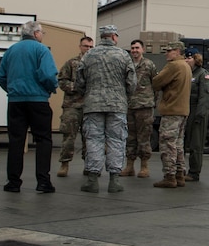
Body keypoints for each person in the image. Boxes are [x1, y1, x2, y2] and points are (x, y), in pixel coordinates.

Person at [0, 20, 59, 192]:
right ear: (37, 33)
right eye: (42, 33)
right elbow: (48, 75)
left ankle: (13, 182)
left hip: (16, 101)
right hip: (38, 100)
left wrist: (12, 90)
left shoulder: (11, 51)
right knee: (43, 140)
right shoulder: (42, 50)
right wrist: (50, 89)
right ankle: (43, 181)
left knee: (16, 140)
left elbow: (1, 76)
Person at [76, 25, 137, 194]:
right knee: (117, 140)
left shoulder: (89, 55)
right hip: (117, 105)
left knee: (94, 140)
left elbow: (79, 81)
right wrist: (123, 96)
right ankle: (114, 180)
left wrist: (88, 93)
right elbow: (132, 83)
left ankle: (92, 180)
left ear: (102, 37)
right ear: (114, 37)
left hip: (93, 104)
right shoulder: (123, 55)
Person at [151, 41, 191, 187]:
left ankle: (169, 175)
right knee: (178, 144)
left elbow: (156, 82)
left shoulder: (174, 66)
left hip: (171, 110)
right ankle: (180, 174)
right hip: (182, 110)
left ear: (178, 51)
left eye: (170, 50)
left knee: (167, 144)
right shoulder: (186, 66)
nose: (166, 53)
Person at [56, 36, 93, 178]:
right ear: (80, 46)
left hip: (89, 106)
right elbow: (62, 80)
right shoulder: (71, 63)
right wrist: (75, 87)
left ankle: (89, 165)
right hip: (72, 105)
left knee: (89, 138)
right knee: (68, 136)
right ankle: (64, 164)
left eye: (90, 47)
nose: (88, 49)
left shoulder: (95, 64)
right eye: (85, 46)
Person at [123, 38, 158, 177]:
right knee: (130, 137)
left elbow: (156, 85)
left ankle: (144, 166)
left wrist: (151, 101)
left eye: (137, 48)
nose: (134, 51)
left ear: (142, 49)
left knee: (144, 137)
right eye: (132, 48)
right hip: (129, 106)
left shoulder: (149, 65)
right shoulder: (127, 65)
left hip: (144, 107)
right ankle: (129, 166)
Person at [184, 49, 209, 182]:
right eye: (185, 58)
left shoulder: (202, 74)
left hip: (197, 111)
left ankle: (194, 172)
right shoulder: (186, 73)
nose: (186, 60)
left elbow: (205, 97)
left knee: (196, 144)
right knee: (183, 143)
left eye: (189, 58)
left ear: (196, 59)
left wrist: (199, 115)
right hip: (186, 110)